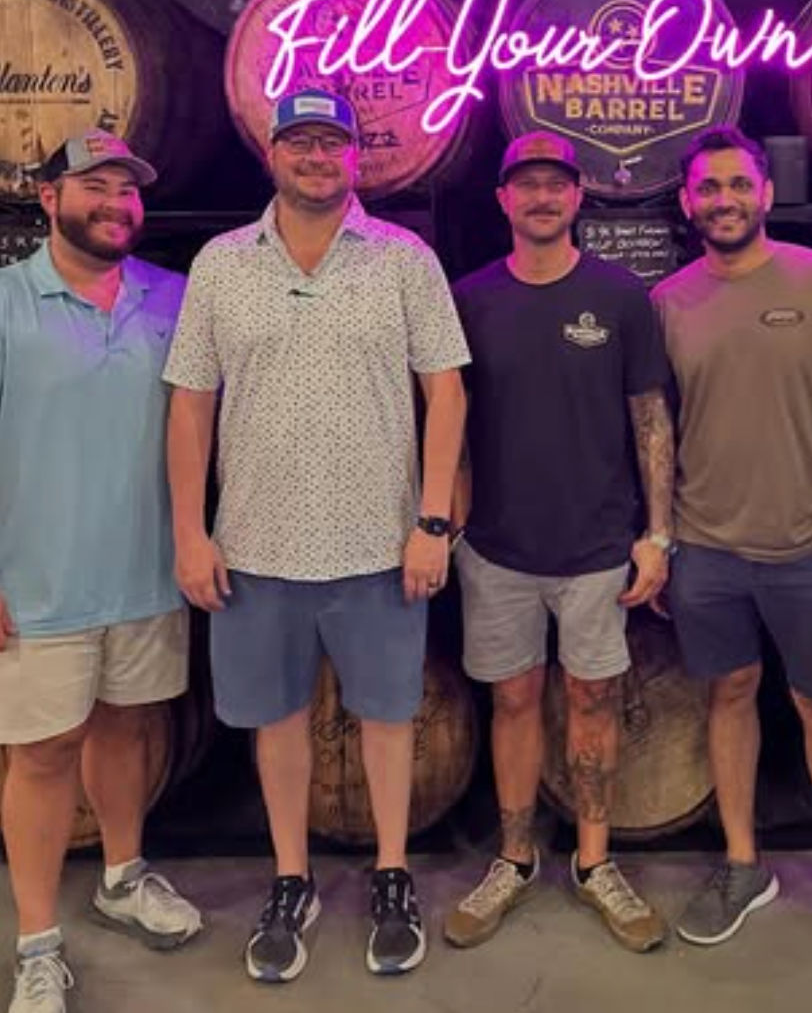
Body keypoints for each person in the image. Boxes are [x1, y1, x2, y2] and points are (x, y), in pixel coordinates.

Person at [163, 89, 468, 982]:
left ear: (355, 156)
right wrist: (190, 531)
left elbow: (446, 392)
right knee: (279, 723)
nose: (314, 157)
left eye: (330, 142)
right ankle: (290, 878)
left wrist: (433, 522)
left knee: (386, 720)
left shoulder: (404, 259)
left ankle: (392, 873)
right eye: (297, 141)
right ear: (271, 153)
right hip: (255, 545)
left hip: (381, 545)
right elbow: (190, 404)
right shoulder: (221, 265)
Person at [0, 131, 202, 1013]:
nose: (116, 202)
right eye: (94, 185)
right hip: (36, 593)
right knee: (41, 761)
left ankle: (123, 876)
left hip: (146, 579)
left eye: (128, 188)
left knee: (126, 734)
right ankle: (36, 942)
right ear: (48, 198)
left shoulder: (173, 299)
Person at [651, 125, 812, 991]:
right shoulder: (667, 302)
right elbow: (657, 429)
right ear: (686, 203)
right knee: (730, 694)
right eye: (706, 189)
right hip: (706, 550)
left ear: (765, 190)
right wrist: (664, 538)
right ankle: (743, 865)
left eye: (736, 184)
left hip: (810, 549)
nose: (722, 200)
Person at [443, 131, 673, 953]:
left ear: (579, 198)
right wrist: (451, 520)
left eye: (556, 185)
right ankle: (514, 858)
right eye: (526, 185)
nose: (542, 198)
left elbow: (650, 417)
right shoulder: (469, 298)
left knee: (592, 701)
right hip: (497, 549)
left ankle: (594, 861)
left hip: (599, 550)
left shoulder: (620, 296)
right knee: (510, 700)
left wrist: (658, 535)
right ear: (502, 200)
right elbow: (449, 422)